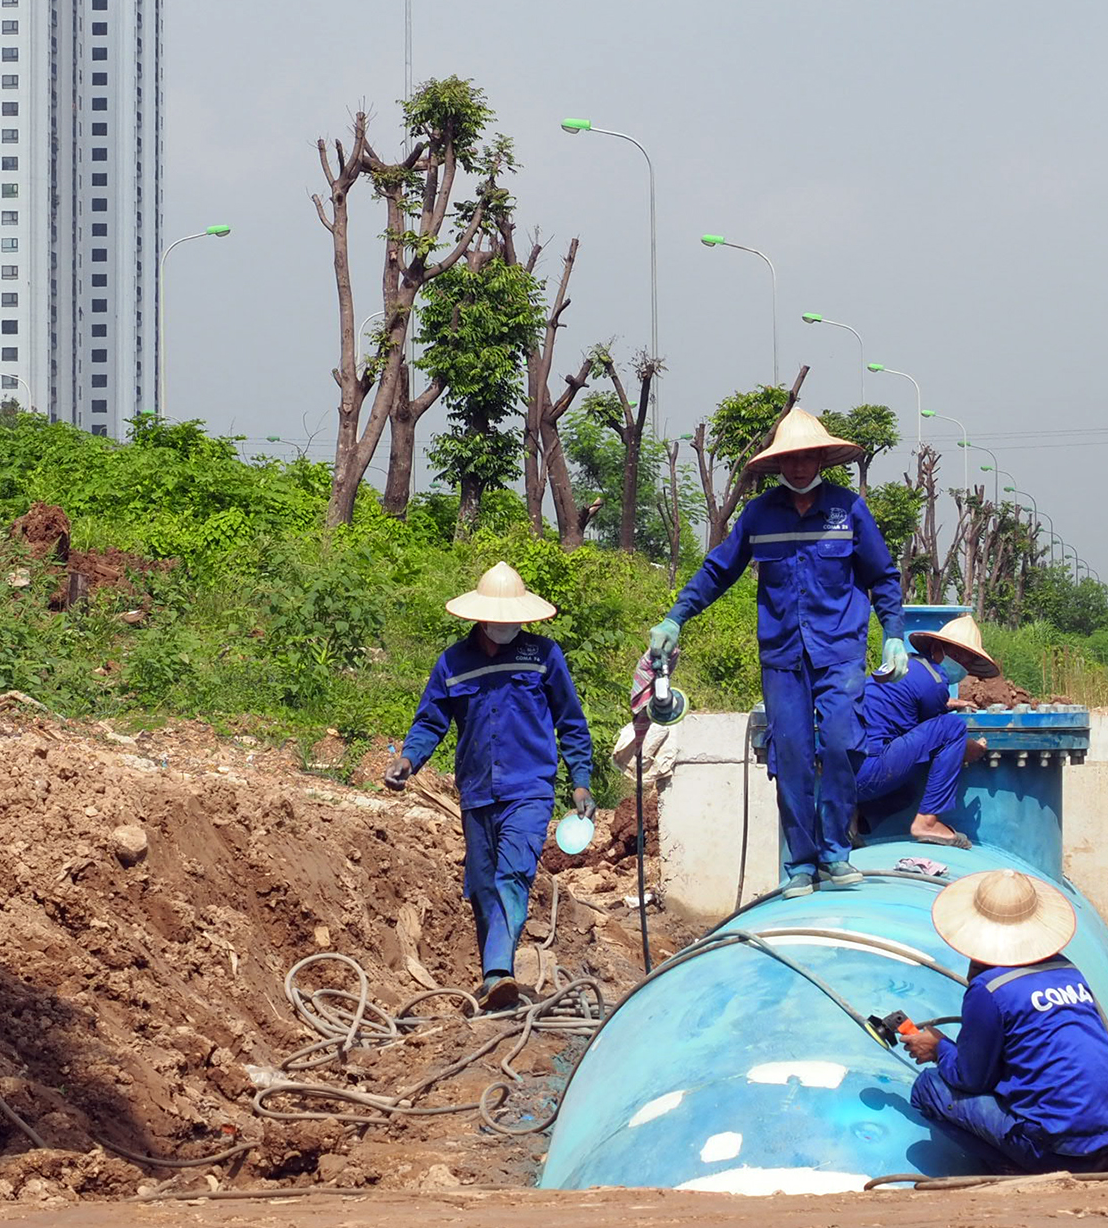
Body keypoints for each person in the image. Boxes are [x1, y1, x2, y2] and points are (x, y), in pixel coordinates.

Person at [647, 408, 906, 890]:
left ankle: (835, 852)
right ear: (779, 464)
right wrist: (675, 617)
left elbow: (882, 576)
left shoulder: (848, 510)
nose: (800, 468)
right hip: (783, 655)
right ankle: (801, 863)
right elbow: (718, 570)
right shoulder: (759, 515)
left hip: (840, 652)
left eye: (808, 458)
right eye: (791, 460)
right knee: (790, 753)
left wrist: (893, 630)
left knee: (840, 744)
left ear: (821, 459)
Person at [386, 562, 595, 1012]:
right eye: (498, 621)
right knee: (482, 886)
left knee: (512, 875)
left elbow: (572, 723)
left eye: (513, 620)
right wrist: (408, 759)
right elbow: (431, 720)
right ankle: (492, 980)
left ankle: (500, 971)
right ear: (480, 618)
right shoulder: (453, 663)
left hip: (530, 788)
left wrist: (580, 780)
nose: (506, 628)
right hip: (478, 790)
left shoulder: (544, 656)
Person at [902, 868, 1108, 1174]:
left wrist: (939, 1049)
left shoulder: (989, 989)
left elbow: (972, 1079)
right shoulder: (1069, 970)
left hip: (1054, 1145)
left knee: (929, 1089)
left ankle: (1018, 1167)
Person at [856, 614, 1000, 847]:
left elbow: (905, 706)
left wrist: (947, 703)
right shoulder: (935, 680)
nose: (963, 666)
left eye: (968, 661)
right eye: (959, 656)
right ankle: (928, 822)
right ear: (936, 649)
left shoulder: (908, 666)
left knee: (907, 793)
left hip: (840, 775)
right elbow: (938, 735)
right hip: (869, 771)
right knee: (953, 727)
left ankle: (851, 820)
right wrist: (966, 747)